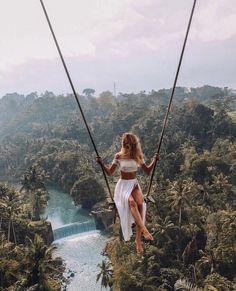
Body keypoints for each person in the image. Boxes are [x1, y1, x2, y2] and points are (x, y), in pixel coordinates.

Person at [96, 132, 160, 255]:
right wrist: (101, 164)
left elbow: (147, 171)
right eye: (124, 142)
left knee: (141, 204)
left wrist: (154, 161)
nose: (125, 144)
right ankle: (145, 230)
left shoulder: (137, 156)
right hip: (123, 186)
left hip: (134, 184)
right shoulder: (118, 156)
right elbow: (110, 172)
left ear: (132, 144)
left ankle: (138, 242)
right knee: (131, 202)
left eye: (127, 142)